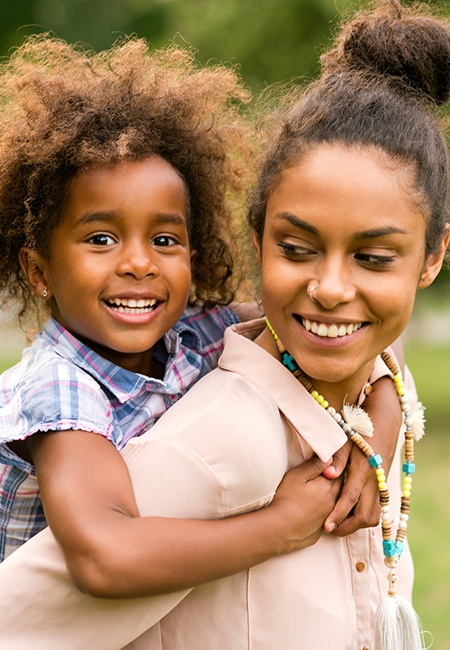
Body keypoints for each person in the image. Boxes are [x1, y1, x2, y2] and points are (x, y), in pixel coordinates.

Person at [0, 3, 437, 646]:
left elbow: (338, 322)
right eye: (100, 237)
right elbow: (102, 556)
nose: (139, 264)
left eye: (166, 240)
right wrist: (278, 526)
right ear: (38, 271)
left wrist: (378, 415)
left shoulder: (184, 336)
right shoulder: (61, 389)